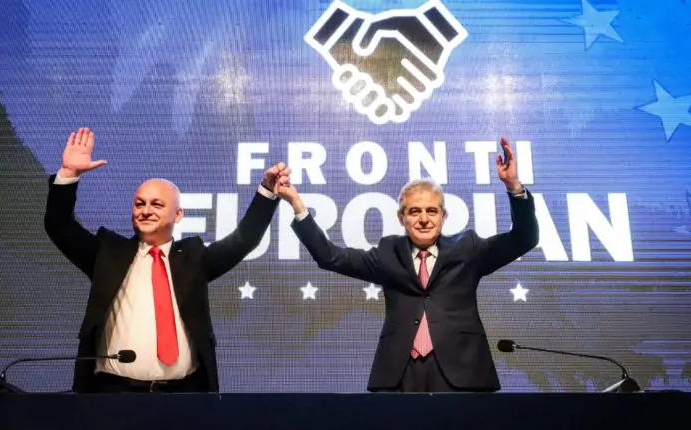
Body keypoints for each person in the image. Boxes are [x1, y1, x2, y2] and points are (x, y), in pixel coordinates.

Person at [276, 137, 539, 393]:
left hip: (463, 371)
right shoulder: (387, 252)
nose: (424, 219)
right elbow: (330, 256)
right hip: (398, 375)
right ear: (402, 218)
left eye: (431, 211)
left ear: (443, 216)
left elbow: (524, 239)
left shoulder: (468, 248)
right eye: (414, 211)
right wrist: (297, 205)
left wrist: (513, 186)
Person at [44, 127, 288, 393]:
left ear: (178, 214)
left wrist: (267, 191)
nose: (146, 211)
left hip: (184, 396)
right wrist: (69, 174)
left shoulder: (194, 258)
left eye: (157, 205)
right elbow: (59, 226)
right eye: (139, 204)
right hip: (113, 395)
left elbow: (244, 239)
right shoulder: (107, 254)